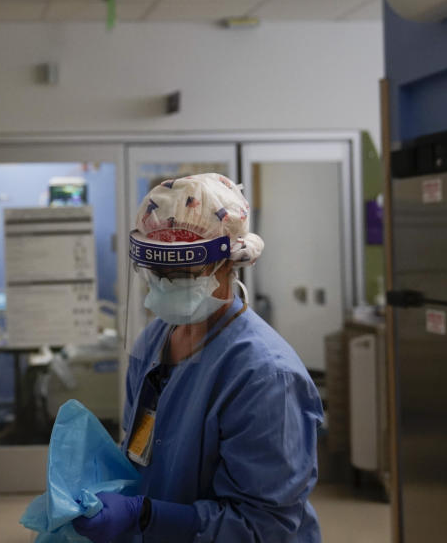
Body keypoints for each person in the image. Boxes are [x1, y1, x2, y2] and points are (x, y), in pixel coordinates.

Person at [72, 173, 323, 543]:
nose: (164, 284)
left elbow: (263, 527)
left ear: (227, 263)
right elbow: (141, 450)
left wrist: (145, 516)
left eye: (181, 273)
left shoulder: (266, 377)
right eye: (155, 273)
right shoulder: (153, 342)